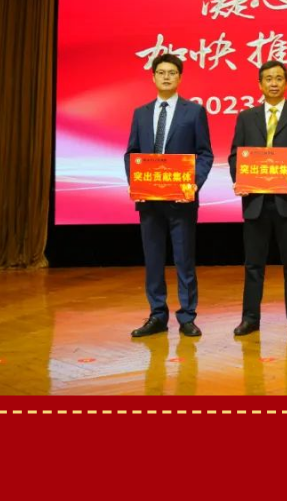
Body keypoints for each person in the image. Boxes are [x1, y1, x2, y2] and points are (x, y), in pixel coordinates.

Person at [228, 60, 287, 336]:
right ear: (259, 84)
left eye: (279, 78)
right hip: (255, 201)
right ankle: (250, 318)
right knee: (253, 264)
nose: (273, 83)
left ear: (286, 83)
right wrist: (240, 179)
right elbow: (235, 155)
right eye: (268, 78)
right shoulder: (246, 117)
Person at [124, 53, 213, 338]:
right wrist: (136, 182)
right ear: (153, 77)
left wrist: (193, 183)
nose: (166, 77)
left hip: (181, 201)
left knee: (184, 260)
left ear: (179, 78)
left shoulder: (194, 112)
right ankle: (157, 315)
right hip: (149, 201)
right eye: (161, 72)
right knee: (153, 260)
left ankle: (187, 316)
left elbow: (205, 154)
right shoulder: (140, 113)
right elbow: (132, 153)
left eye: (171, 73)